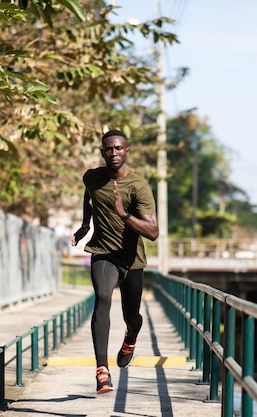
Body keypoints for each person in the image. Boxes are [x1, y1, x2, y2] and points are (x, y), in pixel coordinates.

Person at [70, 129, 159, 394]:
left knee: (131, 317)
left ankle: (131, 337)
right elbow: (90, 196)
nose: (114, 153)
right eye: (109, 149)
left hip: (132, 260)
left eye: (119, 148)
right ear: (102, 152)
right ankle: (102, 370)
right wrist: (86, 225)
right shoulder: (92, 177)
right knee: (103, 297)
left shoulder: (138, 186)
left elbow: (153, 232)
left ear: (127, 151)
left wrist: (123, 214)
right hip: (103, 253)